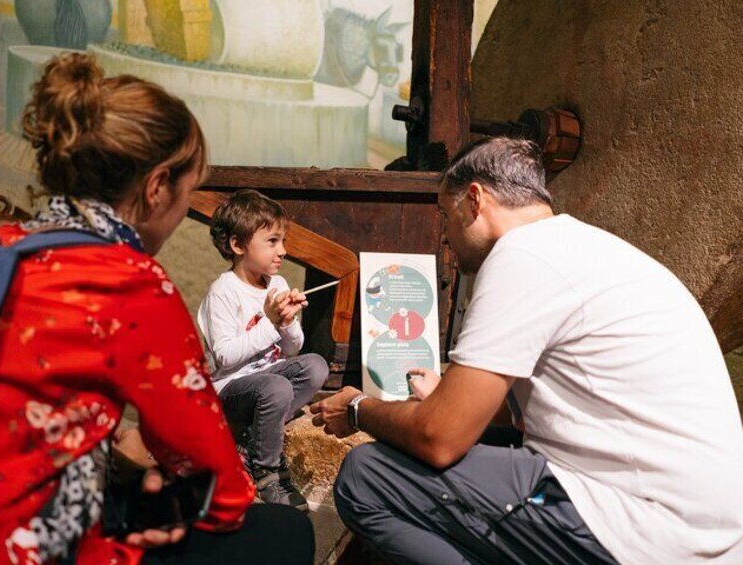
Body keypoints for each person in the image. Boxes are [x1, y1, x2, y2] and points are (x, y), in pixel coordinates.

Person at [0, 53, 314, 564]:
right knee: (286, 532)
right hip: (26, 546)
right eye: (186, 195)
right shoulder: (129, 285)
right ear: (157, 187)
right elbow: (217, 485)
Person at [311, 137, 743, 564]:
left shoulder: (522, 257)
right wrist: (446, 397)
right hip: (706, 523)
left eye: (446, 215)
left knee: (367, 477)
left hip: (646, 526)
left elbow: (439, 438)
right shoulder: (584, 247)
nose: (445, 236)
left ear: (475, 200)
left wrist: (358, 409)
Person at [197, 189, 329, 510]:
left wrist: (286, 322)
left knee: (316, 366)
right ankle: (267, 469)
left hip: (269, 384)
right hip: (230, 391)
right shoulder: (223, 292)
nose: (282, 251)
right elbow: (224, 357)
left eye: (282, 241)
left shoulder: (278, 284)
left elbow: (293, 348)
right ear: (238, 245)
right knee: (276, 386)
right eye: (272, 241)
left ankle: (247, 445)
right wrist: (269, 323)